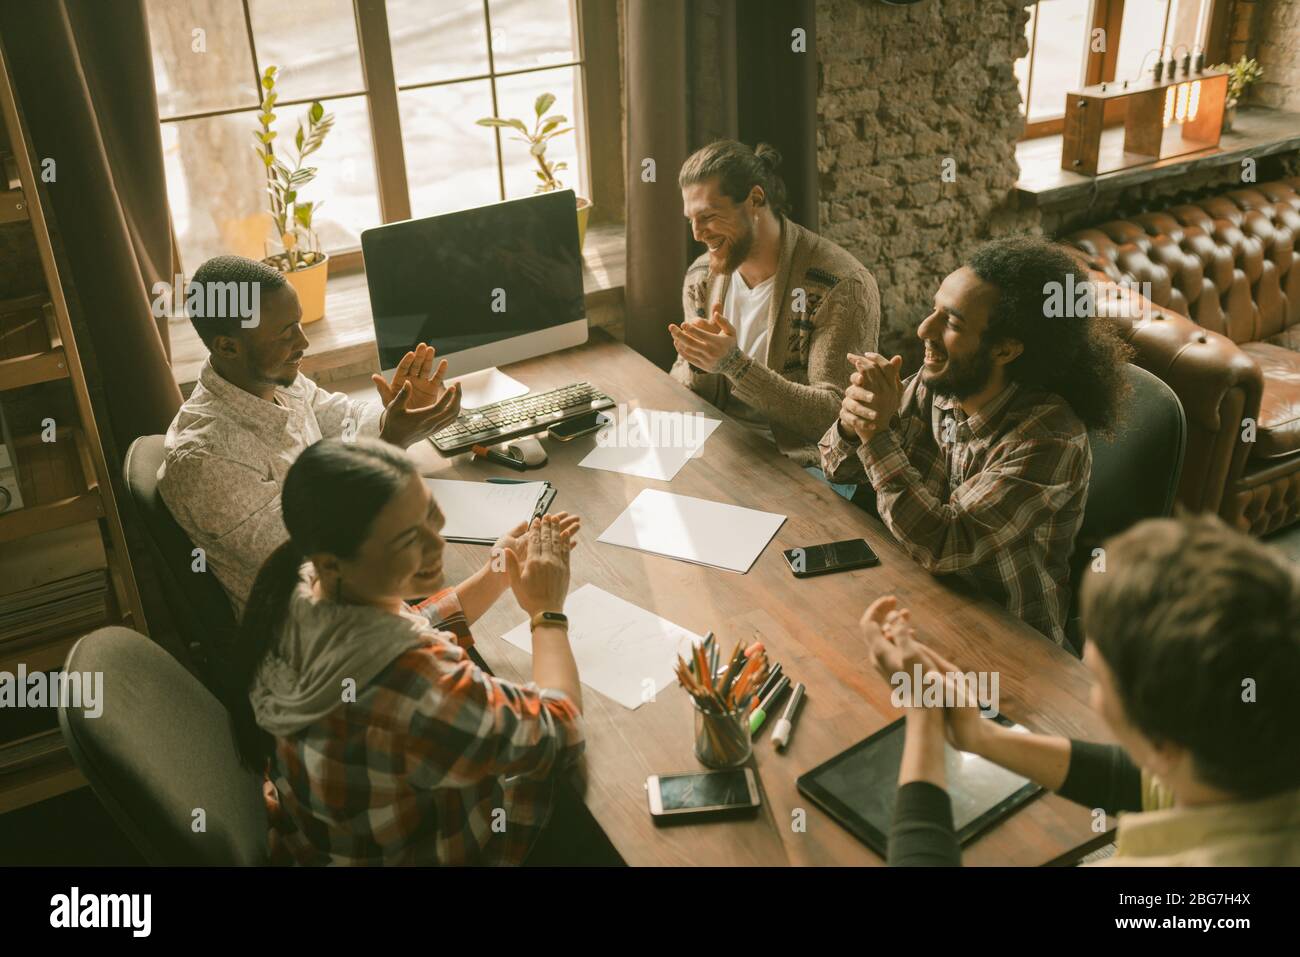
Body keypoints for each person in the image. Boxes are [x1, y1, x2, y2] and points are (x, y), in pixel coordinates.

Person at [860, 513, 1300, 867]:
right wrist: (981, 736)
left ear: (1161, 743)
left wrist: (922, 719)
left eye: (1099, 683)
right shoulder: (1252, 760)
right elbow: (1153, 784)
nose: (1092, 695)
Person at [225, 437, 585, 866]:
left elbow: (403, 624)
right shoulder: (411, 683)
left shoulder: (293, 592)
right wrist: (547, 612)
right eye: (408, 540)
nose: (438, 545)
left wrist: (498, 571)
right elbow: (559, 730)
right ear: (334, 562)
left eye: (431, 514)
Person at [820, 237, 1132, 644]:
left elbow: (946, 544)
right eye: (934, 309)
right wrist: (854, 421)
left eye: (951, 323)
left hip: (1007, 643)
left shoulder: (1049, 438)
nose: (923, 329)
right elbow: (837, 468)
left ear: (1004, 350)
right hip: (916, 598)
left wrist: (876, 436)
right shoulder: (937, 385)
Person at [158, 255, 462, 616]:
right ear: (227, 347)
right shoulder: (205, 458)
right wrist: (391, 444)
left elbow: (344, 416)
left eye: (299, 324)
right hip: (320, 634)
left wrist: (396, 416)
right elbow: (318, 556)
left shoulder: (273, 379)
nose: (303, 342)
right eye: (286, 332)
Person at [670, 140, 880, 496]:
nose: (697, 233)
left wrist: (734, 365)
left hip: (806, 464)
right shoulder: (701, 276)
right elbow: (686, 383)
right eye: (691, 219)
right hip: (723, 448)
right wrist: (701, 366)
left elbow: (834, 416)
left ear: (754, 199)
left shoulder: (841, 285)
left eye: (708, 216)